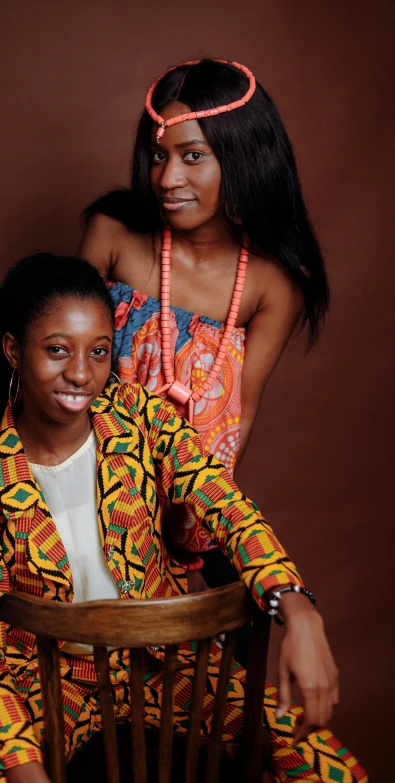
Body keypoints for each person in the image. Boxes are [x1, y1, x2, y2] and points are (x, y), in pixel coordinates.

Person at [0, 253, 366, 783]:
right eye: (57, 350)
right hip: (50, 683)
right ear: (13, 350)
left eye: (99, 352)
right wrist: (26, 770)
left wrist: (295, 608)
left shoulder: (142, 417)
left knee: (323, 765)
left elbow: (224, 503)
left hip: (167, 665)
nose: (80, 372)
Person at [78, 58, 329, 582]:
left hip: (187, 507)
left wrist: (191, 529)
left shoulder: (273, 283)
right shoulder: (112, 234)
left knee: (206, 643)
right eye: (158, 156)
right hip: (77, 494)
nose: (168, 179)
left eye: (193, 157)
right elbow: (56, 363)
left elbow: (238, 415)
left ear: (242, 160)